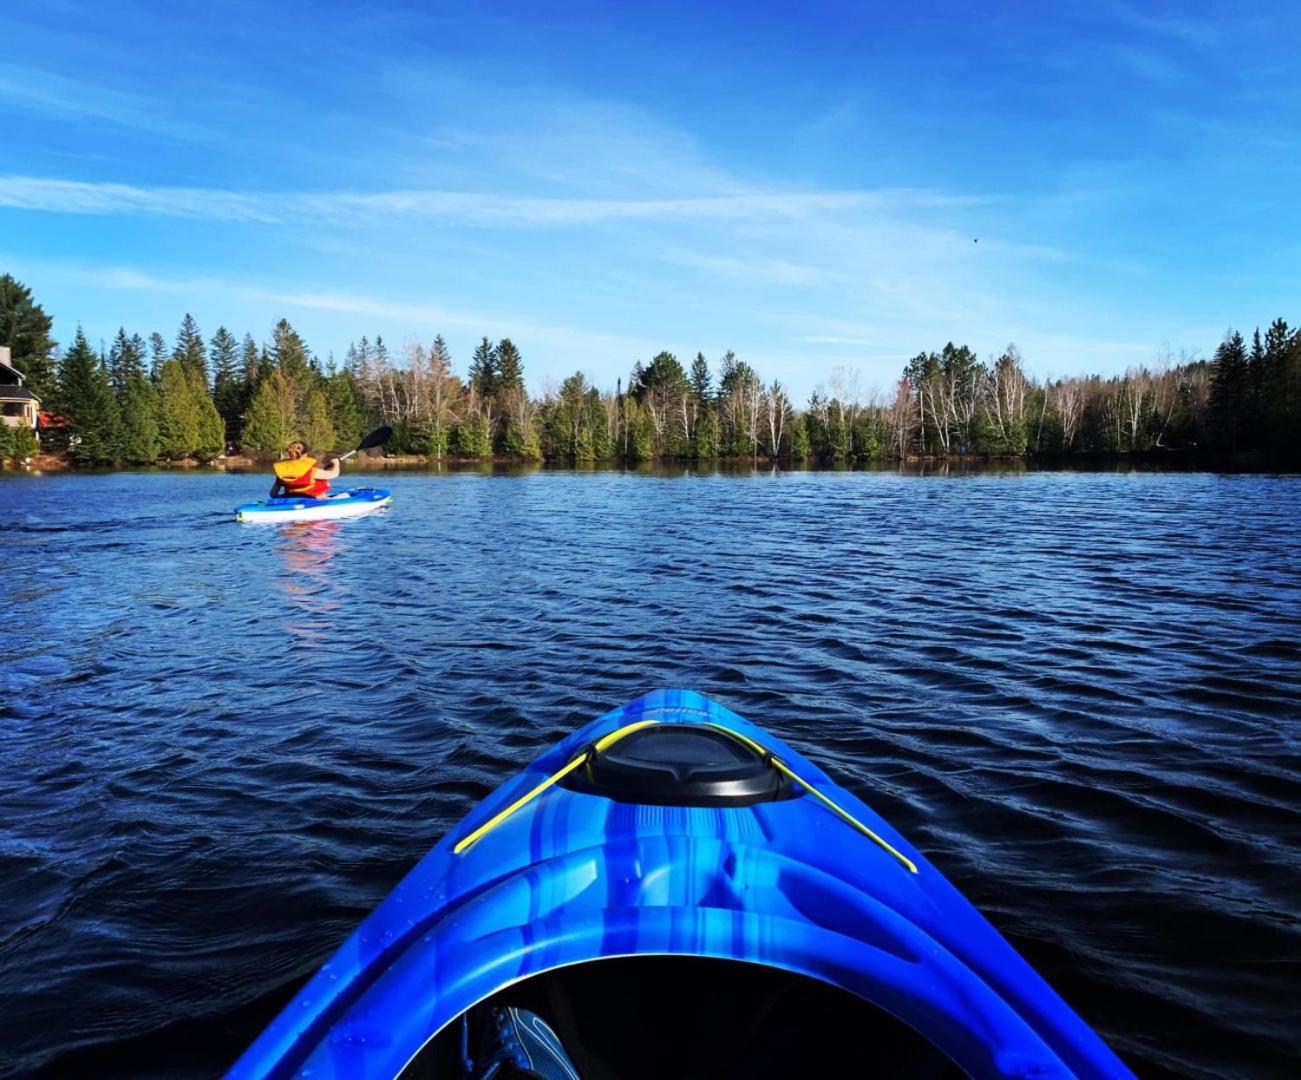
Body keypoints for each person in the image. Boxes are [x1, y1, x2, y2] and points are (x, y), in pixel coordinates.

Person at [269, 440, 340, 499]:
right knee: (346, 495)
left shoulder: (283, 471)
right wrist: (336, 463)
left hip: (290, 500)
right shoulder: (311, 470)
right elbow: (334, 474)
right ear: (305, 454)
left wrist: (281, 500)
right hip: (314, 500)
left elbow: (273, 494)